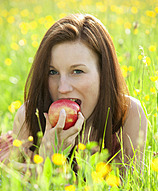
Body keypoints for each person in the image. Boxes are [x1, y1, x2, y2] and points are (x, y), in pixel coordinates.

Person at [1, 13, 147, 175]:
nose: (62, 88)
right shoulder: (30, 116)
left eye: (77, 71)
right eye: (52, 72)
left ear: (103, 73)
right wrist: (46, 162)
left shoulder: (129, 114)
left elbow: (129, 190)